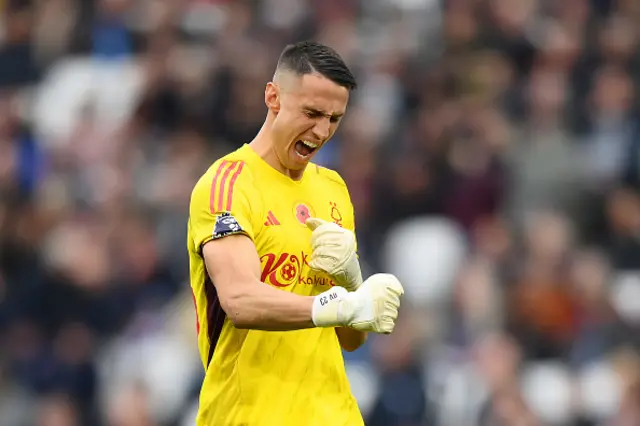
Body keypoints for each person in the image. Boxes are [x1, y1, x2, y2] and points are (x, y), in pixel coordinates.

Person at [186, 40, 405, 426]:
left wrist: (351, 282)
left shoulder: (333, 188)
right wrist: (340, 305)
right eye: (312, 113)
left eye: (334, 119)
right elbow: (240, 300)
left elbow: (351, 339)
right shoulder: (228, 184)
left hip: (334, 414)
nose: (321, 131)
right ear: (273, 96)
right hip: (248, 414)